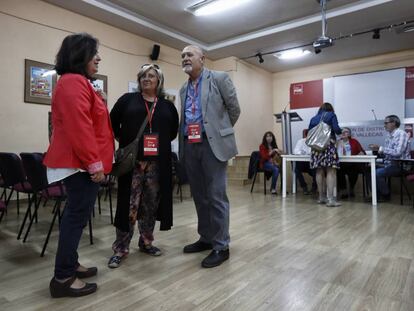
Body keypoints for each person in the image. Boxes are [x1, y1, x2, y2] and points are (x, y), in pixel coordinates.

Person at [44, 33, 114, 298]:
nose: (98, 57)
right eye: (93, 53)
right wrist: (94, 164)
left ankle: (70, 265)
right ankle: (63, 277)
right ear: (78, 55)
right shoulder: (73, 81)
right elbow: (79, 127)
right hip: (80, 164)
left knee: (77, 217)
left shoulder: (78, 81)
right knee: (75, 219)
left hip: (80, 162)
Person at [108, 64, 179, 268]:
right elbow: (111, 124)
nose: (146, 79)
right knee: (128, 206)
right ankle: (120, 248)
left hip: (158, 164)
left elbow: (173, 132)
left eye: (151, 76)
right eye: (143, 76)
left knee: (150, 205)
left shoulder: (168, 106)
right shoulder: (127, 100)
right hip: (132, 164)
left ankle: (146, 242)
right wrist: (127, 142)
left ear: (159, 81)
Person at [179, 45, 241, 268]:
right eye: (183, 56)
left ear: (202, 59)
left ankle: (221, 245)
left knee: (216, 196)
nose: (185, 58)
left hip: (212, 145)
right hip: (191, 145)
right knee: (199, 196)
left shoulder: (219, 78)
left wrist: (218, 132)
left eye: (189, 55)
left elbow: (234, 109)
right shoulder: (182, 89)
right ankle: (206, 238)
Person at [368, 115, 410, 202]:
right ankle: (376, 196)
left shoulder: (401, 134)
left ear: (394, 123)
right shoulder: (388, 136)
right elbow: (388, 154)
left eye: (386, 123)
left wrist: (381, 148)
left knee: (376, 173)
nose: (384, 125)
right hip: (389, 164)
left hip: (400, 165)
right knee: (368, 170)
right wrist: (378, 151)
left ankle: (385, 195)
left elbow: (398, 153)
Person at [308, 102, 342, 207]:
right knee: (331, 171)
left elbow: (309, 133)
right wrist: (341, 131)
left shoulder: (313, 118)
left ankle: (321, 197)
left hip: (316, 148)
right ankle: (331, 200)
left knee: (319, 171)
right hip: (328, 146)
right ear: (330, 109)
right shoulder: (331, 115)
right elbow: (336, 129)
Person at [336, 127, 366, 199]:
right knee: (338, 170)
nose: (343, 133)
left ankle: (351, 188)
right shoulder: (337, 142)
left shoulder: (354, 141)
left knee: (353, 171)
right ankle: (343, 190)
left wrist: (361, 153)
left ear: (349, 134)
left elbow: (362, 152)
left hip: (352, 164)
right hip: (340, 164)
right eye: (342, 132)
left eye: (346, 131)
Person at [293, 129, 317, 195]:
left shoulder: (315, 142)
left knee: (317, 170)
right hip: (303, 163)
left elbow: (315, 153)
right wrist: (302, 152)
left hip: (312, 164)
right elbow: (295, 151)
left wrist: (307, 153)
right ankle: (304, 186)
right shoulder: (300, 141)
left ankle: (314, 188)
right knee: (296, 169)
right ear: (306, 136)